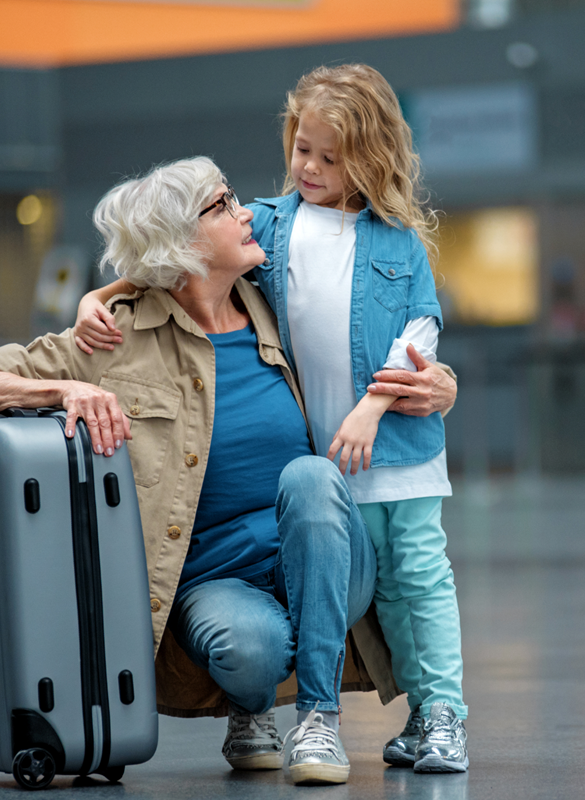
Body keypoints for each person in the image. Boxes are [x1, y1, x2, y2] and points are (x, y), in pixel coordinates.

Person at [0, 157, 451, 787]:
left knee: (311, 477)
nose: (245, 212)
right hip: (214, 578)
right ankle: (252, 704)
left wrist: (441, 384)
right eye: (221, 204)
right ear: (180, 243)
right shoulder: (115, 336)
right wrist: (66, 388)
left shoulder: (276, 303)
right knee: (250, 650)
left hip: (322, 547)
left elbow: (380, 347)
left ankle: (319, 716)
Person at [75, 63, 468, 775]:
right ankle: (264, 706)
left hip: (392, 446)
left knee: (415, 578)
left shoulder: (400, 245)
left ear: (370, 155)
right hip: (323, 465)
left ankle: (436, 714)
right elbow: (171, 249)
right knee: (353, 581)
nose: (309, 166)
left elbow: (421, 337)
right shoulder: (271, 224)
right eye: (301, 148)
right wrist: (98, 295)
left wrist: (396, 398)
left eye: (329, 154)